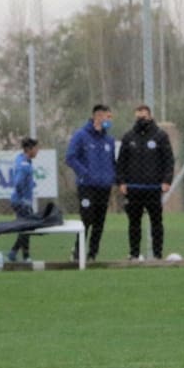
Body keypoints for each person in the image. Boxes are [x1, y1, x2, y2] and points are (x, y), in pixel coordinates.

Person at [116, 104, 175, 260]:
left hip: (154, 187)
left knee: (156, 222)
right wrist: (121, 182)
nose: (141, 119)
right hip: (134, 188)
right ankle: (134, 254)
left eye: (144, 116)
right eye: (139, 117)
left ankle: (157, 254)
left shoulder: (160, 136)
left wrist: (167, 180)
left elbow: (168, 160)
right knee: (134, 223)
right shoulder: (128, 137)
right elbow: (121, 161)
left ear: (150, 116)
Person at [65, 104, 116, 262]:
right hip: (86, 186)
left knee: (99, 221)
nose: (109, 120)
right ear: (98, 117)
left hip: (104, 187)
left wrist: (112, 178)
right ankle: (78, 251)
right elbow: (70, 157)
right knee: (86, 218)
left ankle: (93, 254)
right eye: (108, 117)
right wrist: (85, 173)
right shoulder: (81, 135)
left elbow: (112, 162)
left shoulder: (109, 140)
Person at [7, 137, 40, 263]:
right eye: (36, 148)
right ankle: (20, 255)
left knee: (25, 227)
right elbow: (18, 183)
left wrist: (31, 183)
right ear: (29, 149)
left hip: (20, 201)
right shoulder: (24, 165)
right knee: (27, 227)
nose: (37, 151)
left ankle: (18, 254)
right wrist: (24, 199)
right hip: (22, 202)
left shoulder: (21, 159)